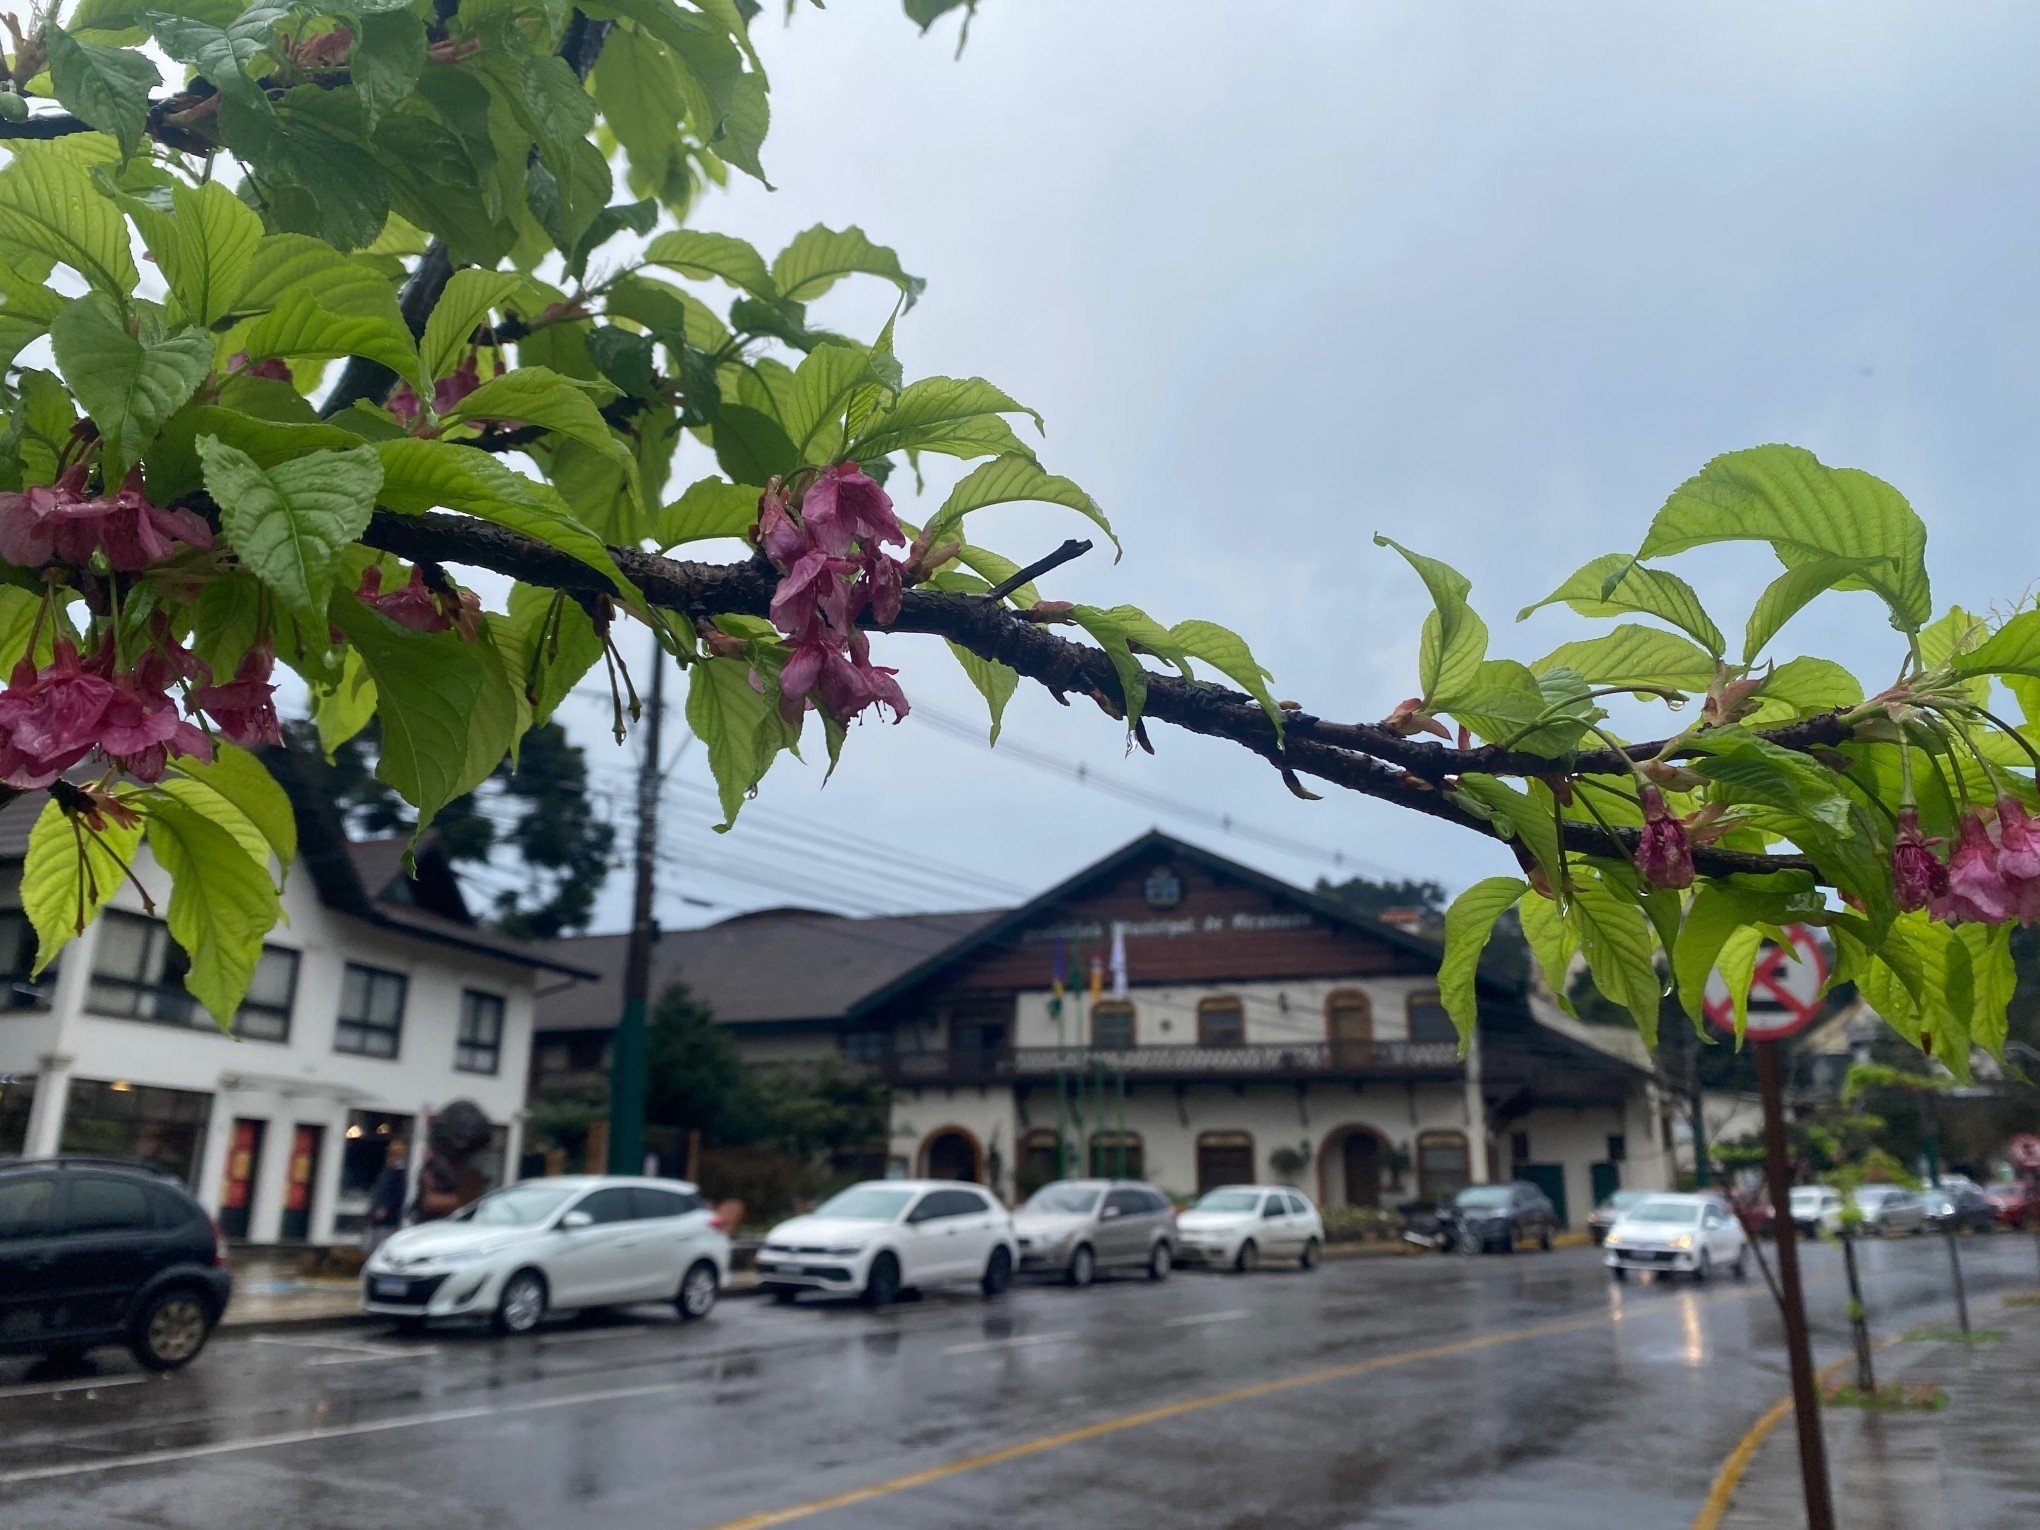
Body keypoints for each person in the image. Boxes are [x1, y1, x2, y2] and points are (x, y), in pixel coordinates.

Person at [363, 1139, 409, 1255]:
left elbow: (397, 1194)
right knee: (371, 1245)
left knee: (378, 1246)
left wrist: (385, 1208)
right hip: (378, 1216)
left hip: (386, 1219)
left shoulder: (398, 1173)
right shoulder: (388, 1171)